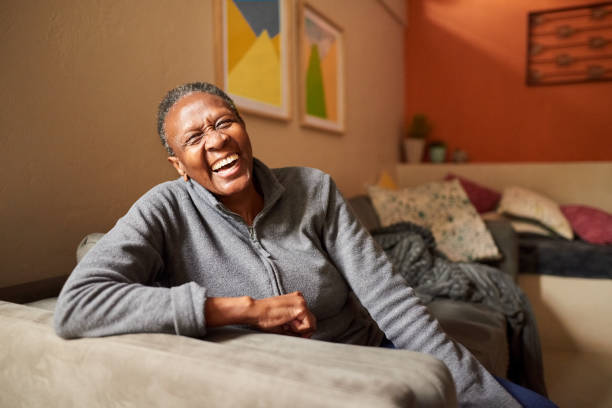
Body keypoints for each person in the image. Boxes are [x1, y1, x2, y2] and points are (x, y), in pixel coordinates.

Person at [54, 82, 549, 407]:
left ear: (244, 130)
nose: (217, 141)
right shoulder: (164, 208)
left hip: (373, 358)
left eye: (225, 122)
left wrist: (482, 397)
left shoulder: (314, 189)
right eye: (194, 138)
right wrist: (240, 309)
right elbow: (79, 304)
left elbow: (395, 305)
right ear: (179, 165)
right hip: (292, 382)